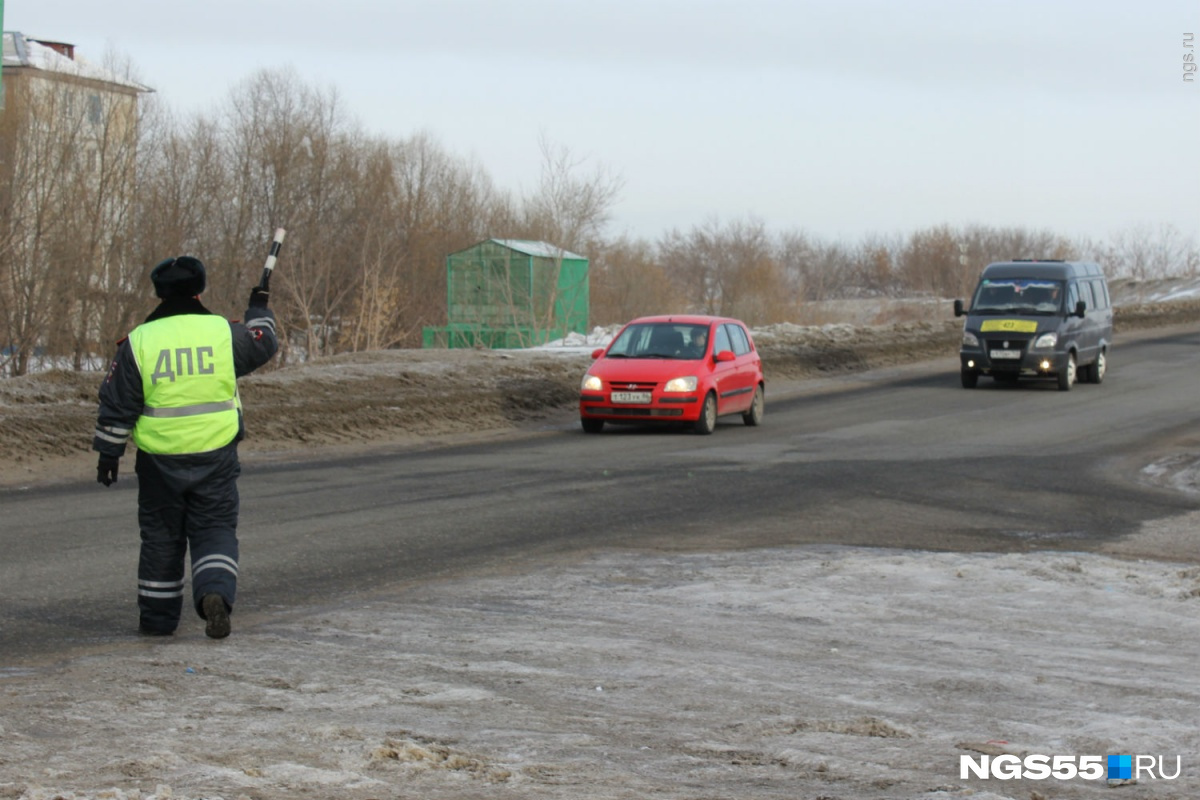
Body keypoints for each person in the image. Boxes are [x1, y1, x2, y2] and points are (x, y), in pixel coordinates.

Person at [93, 256, 279, 639]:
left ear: (159, 292)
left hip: (160, 460)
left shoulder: (140, 340)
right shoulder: (223, 333)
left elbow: (118, 402)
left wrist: (109, 453)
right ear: (200, 290)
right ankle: (214, 594)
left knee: (162, 538)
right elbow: (264, 344)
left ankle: (158, 622)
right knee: (214, 528)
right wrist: (258, 310)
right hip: (216, 453)